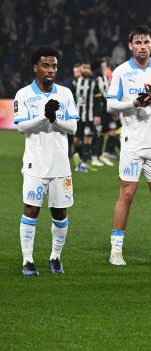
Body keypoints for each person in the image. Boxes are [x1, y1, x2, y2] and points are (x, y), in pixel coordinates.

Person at [105, 25, 151, 266]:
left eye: (146, 42)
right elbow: (110, 105)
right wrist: (133, 103)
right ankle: (116, 250)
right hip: (132, 144)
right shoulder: (122, 72)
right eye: (138, 42)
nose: (143, 47)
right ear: (130, 46)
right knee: (126, 193)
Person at [14, 47, 79, 276]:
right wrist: (44, 116)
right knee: (31, 210)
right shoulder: (23, 95)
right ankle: (28, 260)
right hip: (35, 163)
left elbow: (73, 127)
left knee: (60, 213)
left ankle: (55, 257)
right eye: (46, 65)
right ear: (36, 67)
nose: (51, 70)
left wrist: (54, 119)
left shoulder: (65, 93)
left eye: (54, 66)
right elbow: (21, 126)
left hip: (60, 163)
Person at [71, 61, 103, 171]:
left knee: (87, 139)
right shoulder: (75, 82)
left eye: (88, 68)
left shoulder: (94, 82)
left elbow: (98, 100)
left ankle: (83, 163)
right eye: (84, 68)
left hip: (90, 116)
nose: (86, 70)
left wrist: (97, 115)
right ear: (81, 69)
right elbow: (71, 99)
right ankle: (80, 158)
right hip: (78, 117)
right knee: (76, 141)